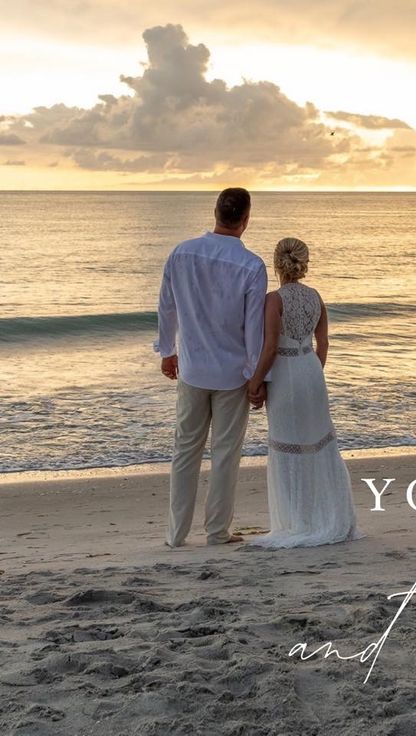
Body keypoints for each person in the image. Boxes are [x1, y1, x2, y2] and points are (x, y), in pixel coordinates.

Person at [155, 187, 267, 547]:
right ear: (246, 219)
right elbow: (254, 328)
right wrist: (255, 376)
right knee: (225, 453)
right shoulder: (251, 265)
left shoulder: (182, 252)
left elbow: (166, 307)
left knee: (185, 451)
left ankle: (176, 533)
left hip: (192, 368)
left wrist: (167, 350)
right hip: (232, 372)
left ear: (215, 212)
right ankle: (217, 531)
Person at [246, 237, 361, 548]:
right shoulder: (316, 297)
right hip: (311, 371)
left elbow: (270, 347)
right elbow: (322, 345)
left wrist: (255, 382)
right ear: (304, 263)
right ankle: (324, 515)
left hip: (285, 374)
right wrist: (312, 371)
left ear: (276, 263)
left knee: (288, 445)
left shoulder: (274, 299)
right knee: (316, 443)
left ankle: (297, 520)